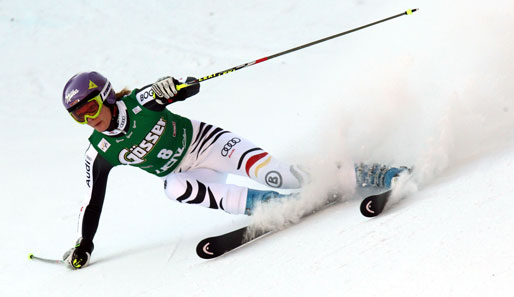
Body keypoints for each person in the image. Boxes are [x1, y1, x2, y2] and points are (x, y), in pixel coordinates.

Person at [61, 71, 406, 269]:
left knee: (279, 174)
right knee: (174, 188)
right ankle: (270, 204)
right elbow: (93, 202)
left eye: (91, 107)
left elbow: (187, 88)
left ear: (105, 96)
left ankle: (369, 173)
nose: (91, 119)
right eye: (79, 116)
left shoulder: (140, 101)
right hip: (191, 173)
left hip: (210, 144)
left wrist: (176, 87)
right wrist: (85, 244)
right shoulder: (100, 152)